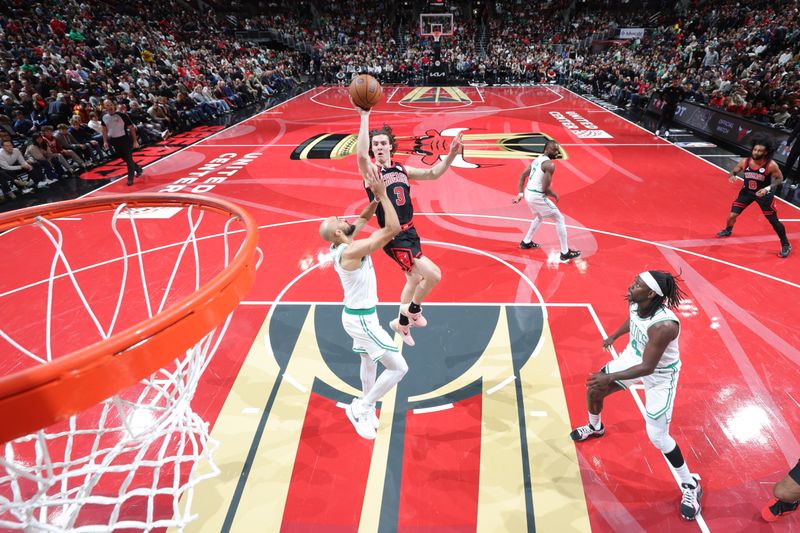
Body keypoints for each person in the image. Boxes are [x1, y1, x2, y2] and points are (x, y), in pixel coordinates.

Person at [569, 270, 702, 521]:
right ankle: (595, 427)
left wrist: (609, 376)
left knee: (658, 437)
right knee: (594, 388)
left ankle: (690, 484)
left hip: (659, 375)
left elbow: (648, 367)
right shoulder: (637, 301)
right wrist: (615, 335)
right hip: (635, 356)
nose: (632, 285)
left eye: (638, 284)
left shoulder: (665, 325)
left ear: (651, 293)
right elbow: (633, 319)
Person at [355, 101, 463, 347]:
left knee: (413, 280)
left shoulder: (401, 168)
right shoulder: (372, 173)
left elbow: (433, 173)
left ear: (390, 146)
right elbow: (361, 156)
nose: (380, 146)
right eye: (376, 144)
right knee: (434, 275)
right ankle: (413, 310)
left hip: (411, 231)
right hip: (393, 237)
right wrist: (365, 116)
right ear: (372, 149)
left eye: (383, 143)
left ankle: (401, 325)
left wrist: (452, 155)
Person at [319, 167, 408, 441]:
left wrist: (374, 197)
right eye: (339, 220)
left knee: (368, 361)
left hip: (357, 315)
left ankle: (365, 409)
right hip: (361, 320)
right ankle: (363, 406)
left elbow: (363, 217)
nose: (346, 219)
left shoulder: (344, 241)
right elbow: (391, 229)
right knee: (400, 368)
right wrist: (384, 196)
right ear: (337, 231)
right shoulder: (351, 251)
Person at [716, 134, 791, 258]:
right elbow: (733, 170)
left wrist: (767, 189)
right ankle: (728, 229)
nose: (756, 152)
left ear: (766, 152)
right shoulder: (745, 161)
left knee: (773, 221)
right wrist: (732, 175)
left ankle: (786, 244)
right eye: (755, 150)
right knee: (732, 215)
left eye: (760, 150)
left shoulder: (771, 165)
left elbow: (780, 179)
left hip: (763, 195)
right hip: (747, 193)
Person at [512, 140, 581, 263]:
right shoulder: (549, 165)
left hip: (528, 193)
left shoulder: (538, 159)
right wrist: (554, 194)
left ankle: (526, 242)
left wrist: (520, 194)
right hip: (537, 196)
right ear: (547, 150)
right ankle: (565, 253)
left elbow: (522, 175)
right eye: (555, 150)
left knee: (539, 217)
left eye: (558, 150)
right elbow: (545, 189)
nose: (557, 152)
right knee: (559, 218)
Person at [101, 99, 143, 186]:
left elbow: (131, 127)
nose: (110, 107)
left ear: (114, 105)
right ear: (105, 107)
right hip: (113, 141)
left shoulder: (122, 115)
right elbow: (104, 129)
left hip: (124, 139)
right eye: (107, 105)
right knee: (125, 159)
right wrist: (105, 141)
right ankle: (138, 168)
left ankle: (130, 178)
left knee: (128, 158)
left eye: (111, 104)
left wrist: (135, 141)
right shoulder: (104, 116)